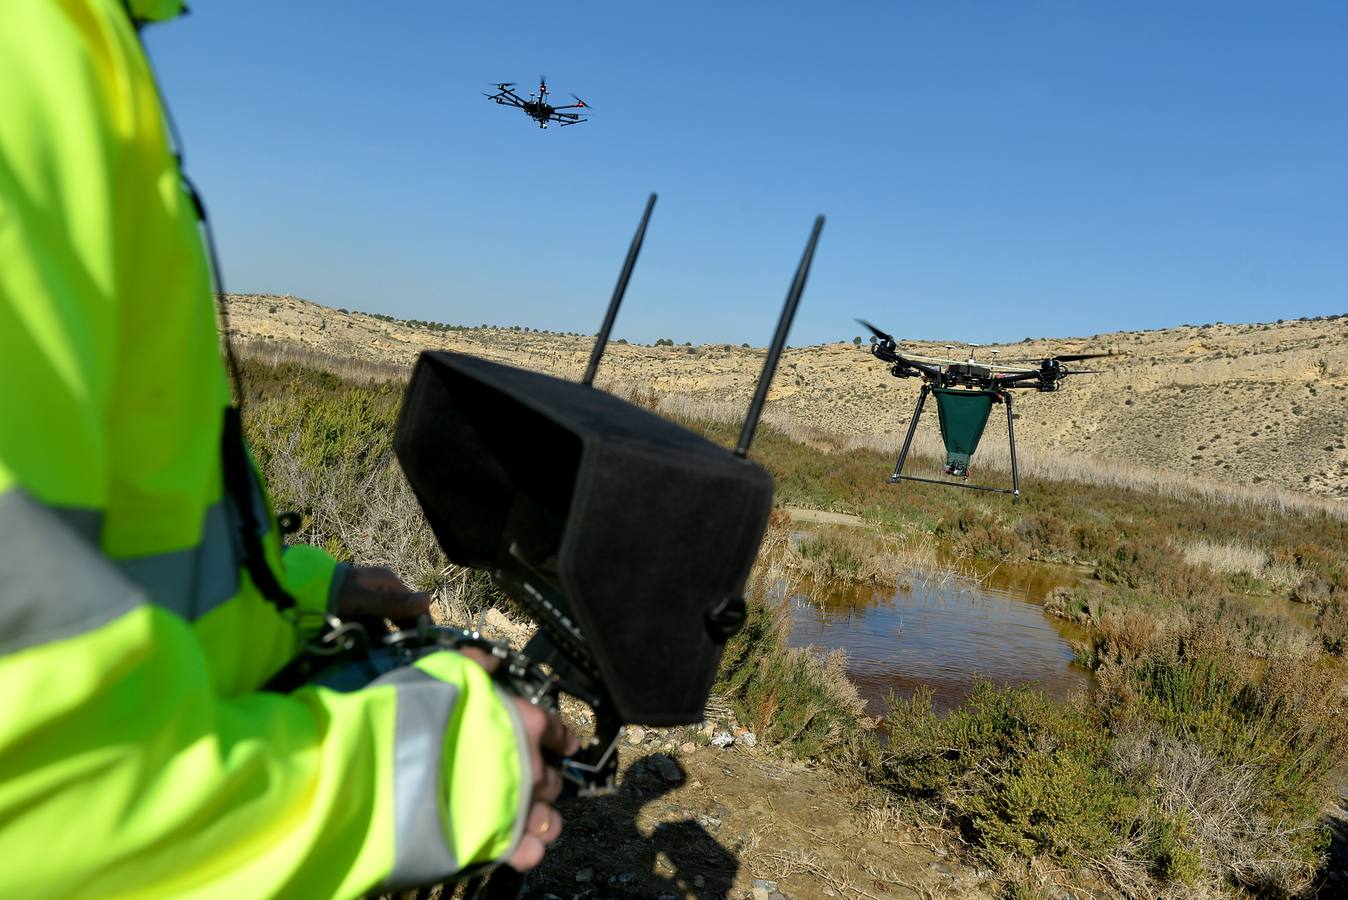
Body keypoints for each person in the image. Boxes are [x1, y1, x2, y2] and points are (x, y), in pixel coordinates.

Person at [0, 0, 572, 894]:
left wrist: (308, 589)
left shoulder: (88, 43)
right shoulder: (30, 51)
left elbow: (115, 538)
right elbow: (33, 784)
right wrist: (455, 772)